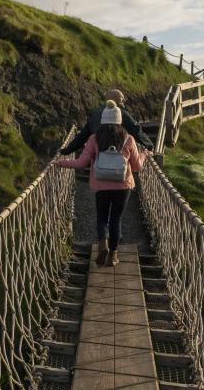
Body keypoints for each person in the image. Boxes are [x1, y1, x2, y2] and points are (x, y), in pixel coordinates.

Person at [55, 106, 148, 266]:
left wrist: (61, 162)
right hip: (123, 186)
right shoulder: (129, 139)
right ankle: (113, 255)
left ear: (103, 120)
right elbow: (136, 167)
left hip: (101, 185)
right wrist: (144, 154)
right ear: (119, 120)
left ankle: (102, 243)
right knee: (116, 219)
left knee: (102, 218)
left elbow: (81, 163)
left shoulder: (94, 139)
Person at [63, 88, 155, 154]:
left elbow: (82, 136)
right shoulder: (121, 113)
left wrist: (68, 150)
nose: (124, 101)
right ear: (116, 100)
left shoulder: (96, 114)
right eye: (122, 99)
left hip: (98, 156)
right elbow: (136, 131)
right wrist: (149, 145)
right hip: (118, 156)